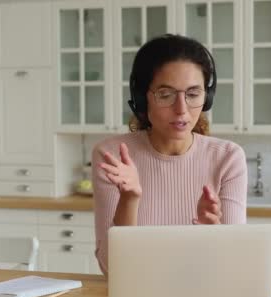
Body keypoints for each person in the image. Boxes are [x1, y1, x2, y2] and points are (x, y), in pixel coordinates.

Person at [92, 34, 247, 276]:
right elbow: (112, 270)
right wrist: (129, 199)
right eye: (166, 95)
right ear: (143, 99)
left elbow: (235, 267)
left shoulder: (227, 158)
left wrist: (213, 234)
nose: (182, 110)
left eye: (193, 94)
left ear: (207, 98)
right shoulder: (113, 155)